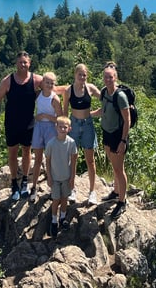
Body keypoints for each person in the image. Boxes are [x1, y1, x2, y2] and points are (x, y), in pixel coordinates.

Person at [0, 51, 43, 201]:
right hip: (12, 123)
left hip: (28, 123)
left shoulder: (36, 80)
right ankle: (14, 184)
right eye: (20, 62)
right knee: (12, 153)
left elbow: (51, 87)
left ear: (30, 63)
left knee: (27, 151)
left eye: (25, 62)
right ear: (16, 63)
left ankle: (25, 182)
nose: (23, 65)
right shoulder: (8, 81)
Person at [92, 62, 130, 219]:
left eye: (111, 77)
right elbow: (103, 111)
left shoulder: (120, 96)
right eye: (106, 77)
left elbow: (126, 121)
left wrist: (123, 141)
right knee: (114, 166)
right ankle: (115, 192)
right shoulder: (104, 93)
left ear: (116, 78)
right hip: (107, 133)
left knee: (119, 169)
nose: (108, 80)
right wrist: (88, 114)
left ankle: (122, 201)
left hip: (117, 136)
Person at [62, 63, 102, 205]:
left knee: (90, 160)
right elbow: (65, 110)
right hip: (73, 125)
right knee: (73, 158)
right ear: (75, 74)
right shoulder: (69, 90)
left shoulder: (90, 88)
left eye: (84, 75)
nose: (82, 77)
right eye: (80, 74)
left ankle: (92, 192)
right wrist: (64, 127)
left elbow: (105, 97)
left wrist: (98, 112)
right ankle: (72, 189)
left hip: (88, 125)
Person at [29, 71, 62, 202]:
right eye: (47, 82)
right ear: (42, 83)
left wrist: (47, 117)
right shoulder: (38, 95)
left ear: (54, 84)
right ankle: (34, 186)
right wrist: (36, 117)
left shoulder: (54, 99)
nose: (49, 85)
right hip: (38, 127)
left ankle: (52, 187)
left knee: (51, 159)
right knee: (37, 159)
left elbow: (59, 119)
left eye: (51, 83)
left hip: (50, 129)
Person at [45, 115, 78, 238]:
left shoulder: (71, 143)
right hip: (55, 178)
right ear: (56, 127)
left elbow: (74, 161)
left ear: (69, 128)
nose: (62, 129)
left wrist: (72, 178)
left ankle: (62, 218)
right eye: (60, 127)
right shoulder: (51, 144)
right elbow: (47, 161)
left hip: (66, 177)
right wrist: (49, 176)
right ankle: (54, 221)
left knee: (64, 198)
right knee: (55, 200)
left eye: (65, 127)